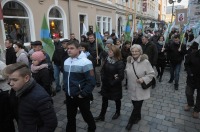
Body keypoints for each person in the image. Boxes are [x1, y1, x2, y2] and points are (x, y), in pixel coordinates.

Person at [3, 62, 57, 132]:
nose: (11, 83)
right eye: (10, 80)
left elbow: (51, 124)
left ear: (26, 78)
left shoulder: (40, 98)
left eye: (15, 80)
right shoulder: (17, 90)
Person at [63, 40, 96, 132]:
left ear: (78, 49)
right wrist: (65, 88)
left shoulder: (86, 62)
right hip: (69, 96)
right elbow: (66, 77)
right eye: (68, 48)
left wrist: (83, 94)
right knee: (70, 117)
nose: (69, 50)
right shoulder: (66, 61)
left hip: (81, 96)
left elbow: (92, 81)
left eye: (72, 48)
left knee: (86, 115)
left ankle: (92, 128)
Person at [125, 44, 155, 130]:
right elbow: (126, 71)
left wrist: (143, 79)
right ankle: (138, 117)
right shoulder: (129, 61)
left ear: (140, 52)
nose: (134, 53)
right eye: (132, 51)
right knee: (135, 104)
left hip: (140, 88)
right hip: (131, 87)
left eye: (136, 51)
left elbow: (152, 74)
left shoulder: (145, 62)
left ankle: (130, 122)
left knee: (137, 106)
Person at [94, 45, 125, 121]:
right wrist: (103, 76)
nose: (109, 52)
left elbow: (121, 77)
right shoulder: (107, 59)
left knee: (117, 99)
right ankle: (102, 115)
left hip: (114, 85)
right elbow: (103, 69)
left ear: (115, 53)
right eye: (109, 51)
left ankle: (117, 112)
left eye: (110, 51)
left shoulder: (119, 62)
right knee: (104, 100)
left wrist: (112, 82)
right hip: (105, 84)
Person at [184, 42, 200, 118]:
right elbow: (186, 64)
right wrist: (190, 73)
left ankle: (197, 110)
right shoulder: (192, 54)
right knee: (188, 92)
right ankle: (190, 104)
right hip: (192, 78)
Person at [0, 60, 15, 132]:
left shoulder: (1, 64)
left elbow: (5, 75)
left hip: (5, 89)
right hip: (1, 90)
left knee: (6, 111)